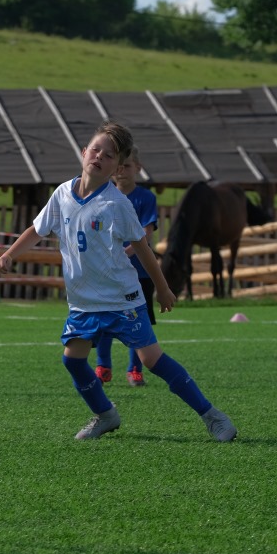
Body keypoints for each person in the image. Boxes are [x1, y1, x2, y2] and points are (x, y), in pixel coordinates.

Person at [0, 121, 237, 442]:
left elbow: (142, 247)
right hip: (83, 304)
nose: (99, 157)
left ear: (117, 167)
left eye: (108, 156)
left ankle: (213, 417)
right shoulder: (62, 194)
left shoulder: (116, 204)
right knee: (73, 361)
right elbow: (38, 230)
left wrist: (162, 288)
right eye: (95, 150)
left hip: (123, 300)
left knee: (152, 361)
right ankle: (106, 415)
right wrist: (9, 254)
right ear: (83, 153)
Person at [95, 146, 159, 388]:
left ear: (138, 169)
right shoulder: (101, 196)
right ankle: (103, 366)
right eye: (118, 167)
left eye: (128, 166)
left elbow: (146, 232)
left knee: (136, 321)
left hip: (139, 272)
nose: (122, 172)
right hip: (106, 273)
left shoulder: (145, 198)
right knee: (102, 318)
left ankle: (135, 370)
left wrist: (124, 253)